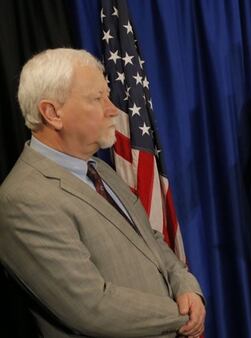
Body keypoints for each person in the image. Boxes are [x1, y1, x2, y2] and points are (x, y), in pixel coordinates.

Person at [0, 48, 205, 338]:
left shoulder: (99, 169)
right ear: (52, 113)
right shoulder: (23, 200)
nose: (112, 109)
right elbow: (91, 307)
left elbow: (151, 240)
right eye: (97, 98)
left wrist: (187, 286)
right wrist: (181, 314)